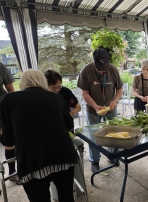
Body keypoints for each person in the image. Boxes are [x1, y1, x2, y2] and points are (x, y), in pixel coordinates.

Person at [0, 69, 77, 202]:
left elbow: (8, 143)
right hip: (64, 157)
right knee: (67, 197)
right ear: (43, 81)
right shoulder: (57, 97)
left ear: (22, 83)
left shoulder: (9, 99)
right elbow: (69, 125)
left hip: (32, 162)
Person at [77, 48, 123, 172]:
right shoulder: (86, 71)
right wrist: (95, 106)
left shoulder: (113, 69)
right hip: (93, 109)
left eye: (104, 68)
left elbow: (119, 89)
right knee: (94, 134)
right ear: (93, 61)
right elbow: (85, 93)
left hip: (111, 107)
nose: (103, 71)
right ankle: (95, 160)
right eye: (100, 68)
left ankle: (112, 155)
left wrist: (116, 100)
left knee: (114, 132)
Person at [0, 62, 19, 184]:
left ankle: (12, 173)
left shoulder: (0, 66)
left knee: (9, 142)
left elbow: (10, 89)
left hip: (2, 107)